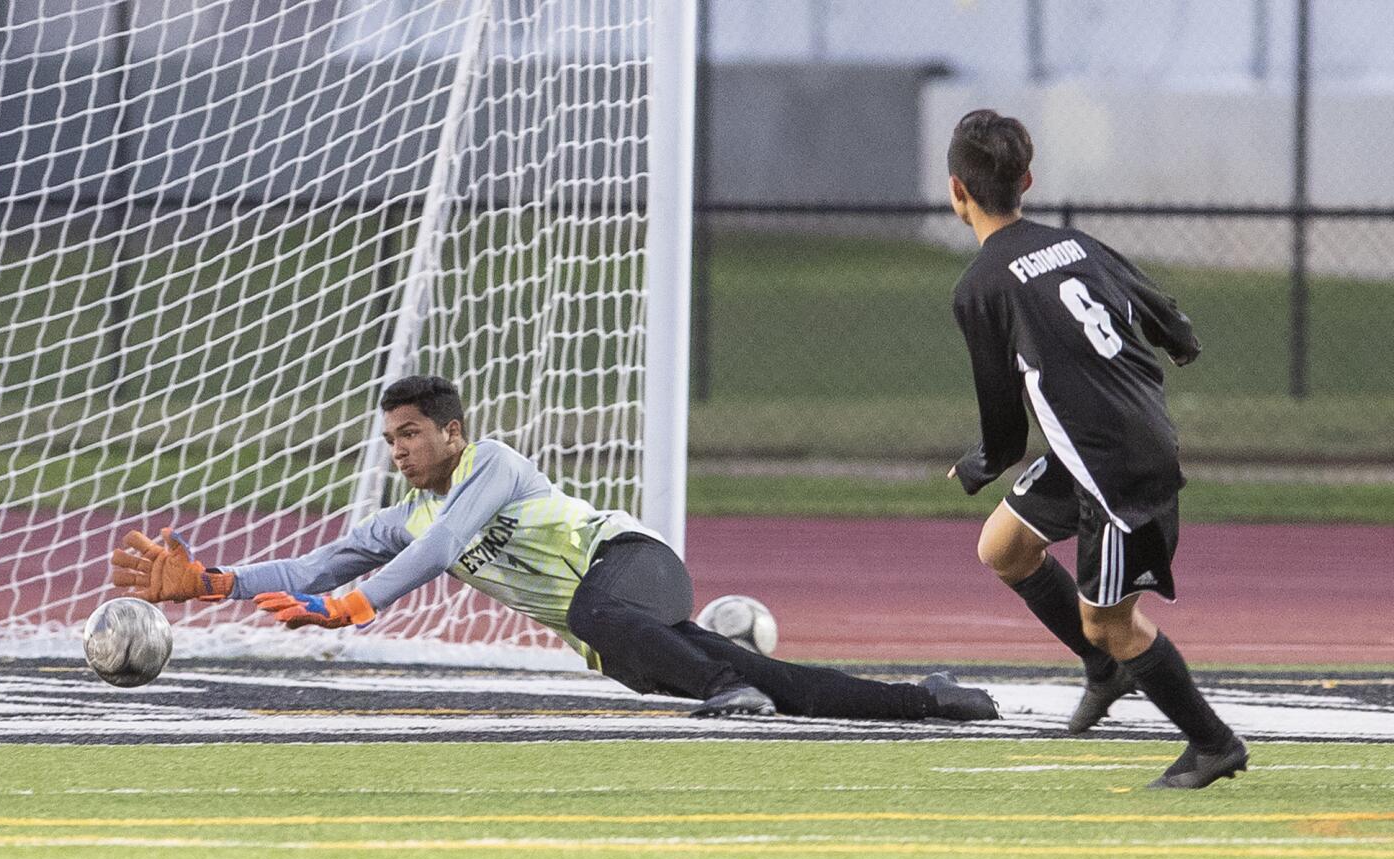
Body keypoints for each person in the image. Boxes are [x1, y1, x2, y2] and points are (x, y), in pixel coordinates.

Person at [110, 375, 997, 723]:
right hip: (610, 627)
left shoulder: (491, 463)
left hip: (633, 564)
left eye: (413, 433)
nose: (400, 449)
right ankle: (933, 701)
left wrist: (359, 604)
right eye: (391, 438)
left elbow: (450, 540)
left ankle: (732, 687)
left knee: (609, 619)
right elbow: (308, 570)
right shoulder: (397, 523)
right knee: (783, 685)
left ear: (454, 433)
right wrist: (211, 580)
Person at [942, 109, 1246, 789]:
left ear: (957, 191)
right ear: (1027, 179)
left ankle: (1212, 742)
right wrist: (1179, 339)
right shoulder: (1074, 244)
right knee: (1004, 547)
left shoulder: (981, 286)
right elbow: (1159, 309)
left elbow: (1004, 426)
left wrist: (979, 466)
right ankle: (1104, 671)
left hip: (1116, 468)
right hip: (1104, 442)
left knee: (1110, 621)